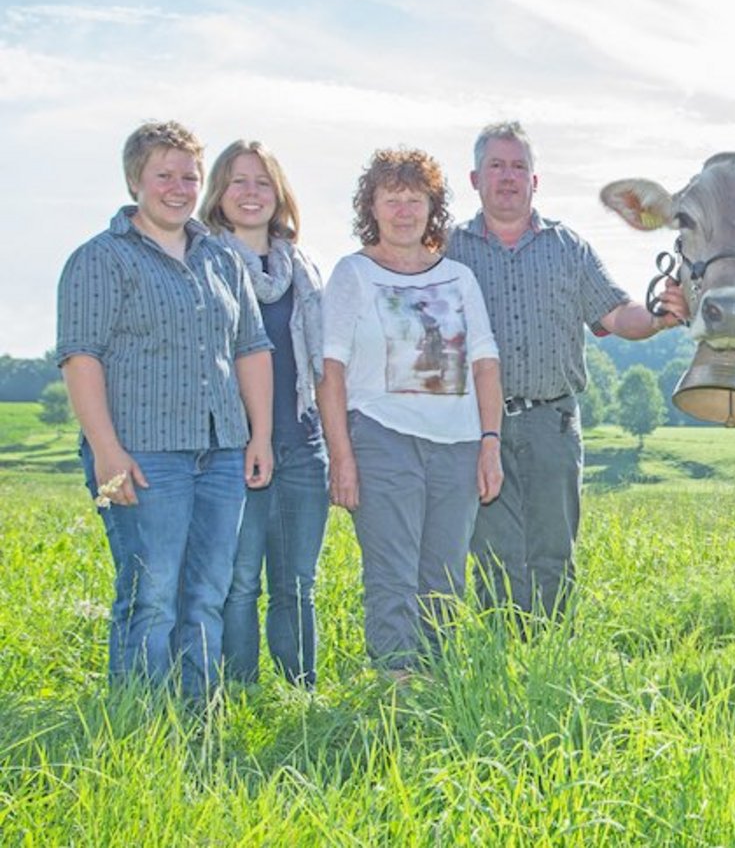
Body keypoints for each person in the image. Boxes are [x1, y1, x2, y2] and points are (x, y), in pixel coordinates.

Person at [56, 120, 273, 704]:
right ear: (136, 180)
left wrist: (260, 438)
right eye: (163, 175)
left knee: (208, 591)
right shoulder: (100, 259)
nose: (177, 188)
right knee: (150, 594)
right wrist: (106, 451)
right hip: (142, 452)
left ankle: (195, 720)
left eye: (189, 176)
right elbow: (82, 357)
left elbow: (251, 348)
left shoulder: (221, 260)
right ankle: (139, 722)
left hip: (222, 450)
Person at [445, 121, 683, 622]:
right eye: (496, 166)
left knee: (552, 551)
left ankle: (550, 657)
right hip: (474, 427)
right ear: (474, 178)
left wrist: (660, 316)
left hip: (551, 422)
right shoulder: (448, 251)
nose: (508, 177)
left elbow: (617, 315)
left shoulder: (566, 247)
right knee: (492, 554)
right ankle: (500, 658)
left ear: (535, 181)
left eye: (518, 167)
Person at [320, 147, 503, 676]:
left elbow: (485, 365)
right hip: (382, 437)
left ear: (432, 207)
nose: (404, 210)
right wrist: (342, 456)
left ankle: (437, 686)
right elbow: (330, 371)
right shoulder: (353, 274)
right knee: (393, 574)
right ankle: (395, 692)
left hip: (459, 444)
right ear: (371, 208)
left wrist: (490, 442)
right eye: (391, 199)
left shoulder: (459, 279)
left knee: (445, 576)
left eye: (415, 199)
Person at [198, 140, 329, 689]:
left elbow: (325, 367)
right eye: (237, 181)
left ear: (279, 195)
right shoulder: (201, 264)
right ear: (218, 194)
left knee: (297, 582)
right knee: (240, 580)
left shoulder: (302, 270)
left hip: (302, 443)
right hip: (234, 448)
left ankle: (300, 692)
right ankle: (240, 691)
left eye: (262, 182)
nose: (250, 193)